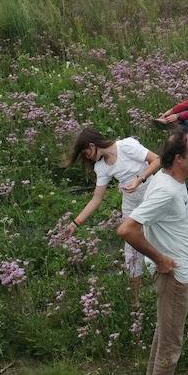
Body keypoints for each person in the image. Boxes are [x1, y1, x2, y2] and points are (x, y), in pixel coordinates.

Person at [118, 129, 188, 375]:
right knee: (170, 343)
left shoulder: (168, 180)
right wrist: (161, 259)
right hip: (174, 277)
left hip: (177, 271)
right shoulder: (165, 189)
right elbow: (127, 229)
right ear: (178, 159)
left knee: (162, 335)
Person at [61, 127, 162, 298]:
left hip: (152, 197)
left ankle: (165, 289)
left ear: (92, 146)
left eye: (86, 153)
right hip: (130, 204)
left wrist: (139, 179)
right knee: (131, 248)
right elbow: (96, 199)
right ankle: (135, 301)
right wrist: (74, 223)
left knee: (157, 242)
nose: (87, 158)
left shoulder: (126, 146)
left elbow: (157, 160)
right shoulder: (102, 167)